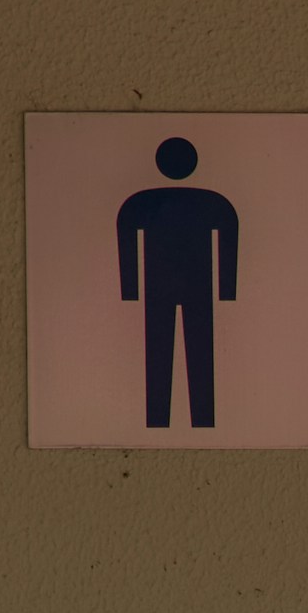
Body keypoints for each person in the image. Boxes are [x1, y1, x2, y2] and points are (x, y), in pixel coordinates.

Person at [115, 134, 239, 431]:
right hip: (190, 287)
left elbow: (126, 235)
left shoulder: (142, 202)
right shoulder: (211, 202)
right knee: (192, 351)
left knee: (167, 351)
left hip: (164, 287)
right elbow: (229, 233)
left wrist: (131, 290)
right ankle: (194, 420)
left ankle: (172, 420)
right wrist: (225, 290)